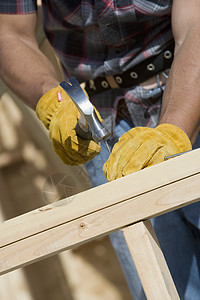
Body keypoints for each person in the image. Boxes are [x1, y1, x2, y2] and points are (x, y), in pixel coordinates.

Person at [0, 0, 200, 298]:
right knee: (160, 286)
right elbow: (10, 33)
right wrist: (51, 99)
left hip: (188, 83)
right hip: (101, 121)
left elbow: (194, 25)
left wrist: (173, 130)